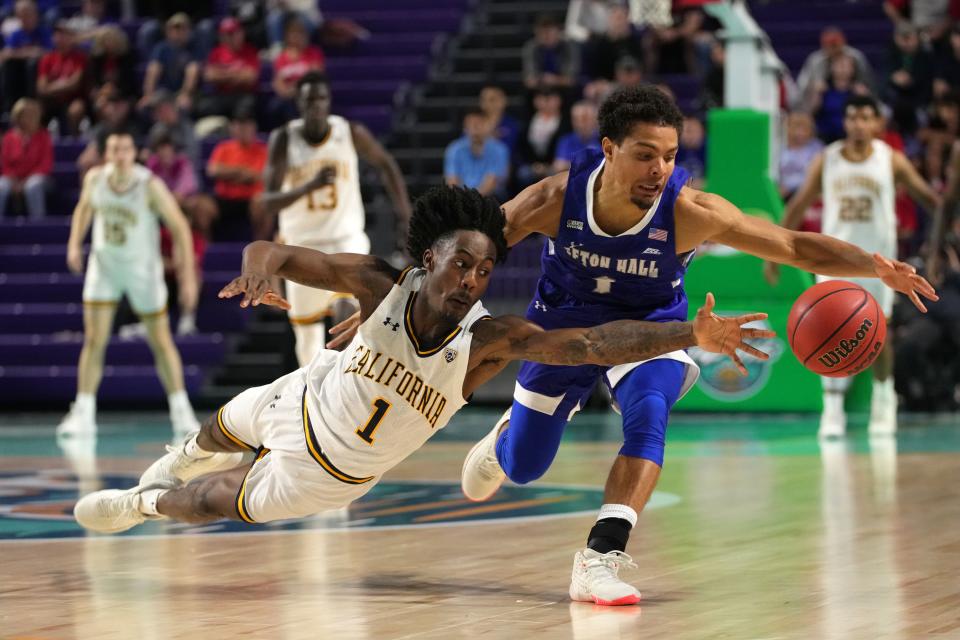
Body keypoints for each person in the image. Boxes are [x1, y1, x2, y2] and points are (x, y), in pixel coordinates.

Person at [72, 186, 775, 555]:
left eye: (485, 268)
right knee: (214, 434)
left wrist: (688, 332)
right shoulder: (380, 285)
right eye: (461, 263)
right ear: (428, 258)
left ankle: (141, 505)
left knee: (209, 501)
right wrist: (255, 271)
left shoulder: (490, 341)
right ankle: (176, 460)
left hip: (328, 474)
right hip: (301, 395)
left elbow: (590, 345)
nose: (473, 278)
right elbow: (273, 250)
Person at [453, 85, 936, 606]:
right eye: (644, 155)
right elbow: (468, 252)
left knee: (650, 410)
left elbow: (792, 245)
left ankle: (600, 558)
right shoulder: (553, 199)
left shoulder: (689, 210)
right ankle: (507, 441)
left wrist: (872, 265)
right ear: (610, 148)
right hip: (562, 328)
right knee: (526, 466)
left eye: (669, 156)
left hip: (652, 328)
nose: (658, 169)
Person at [765, 95, 940, 438]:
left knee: (882, 333)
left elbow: (931, 201)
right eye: (852, 117)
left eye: (865, 117)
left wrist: (936, 245)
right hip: (835, 259)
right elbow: (798, 206)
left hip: (880, 263)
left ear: (877, 123)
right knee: (826, 330)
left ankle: (883, 400)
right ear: (845, 122)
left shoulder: (890, 159)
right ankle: (832, 409)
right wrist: (776, 253)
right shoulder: (826, 159)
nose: (858, 124)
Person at [256, 71, 412, 367]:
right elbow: (268, 202)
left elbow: (386, 165)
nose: (316, 106)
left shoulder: (349, 132)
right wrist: (308, 187)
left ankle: (349, 385)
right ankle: (314, 399)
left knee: (349, 309)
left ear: (328, 101)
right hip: (301, 245)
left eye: (321, 98)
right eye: (309, 100)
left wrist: (405, 215)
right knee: (307, 341)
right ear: (299, 104)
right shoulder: (284, 139)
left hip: (345, 237)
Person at [57, 130, 202, 438]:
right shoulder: (95, 179)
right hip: (105, 266)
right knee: (94, 340)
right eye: (114, 149)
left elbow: (180, 228)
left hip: (142, 270)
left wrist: (188, 276)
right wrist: (73, 244)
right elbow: (84, 209)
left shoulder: (149, 184)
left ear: (134, 152)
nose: (120, 155)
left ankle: (181, 412)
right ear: (106, 153)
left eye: (125, 149)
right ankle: (83, 412)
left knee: (161, 341)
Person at [206, 105, 267, 241]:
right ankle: (205, 252)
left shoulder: (262, 150)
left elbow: (256, 176)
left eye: (247, 124)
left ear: (254, 127)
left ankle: (260, 247)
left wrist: (228, 174)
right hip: (224, 199)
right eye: (239, 124)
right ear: (233, 127)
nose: (243, 129)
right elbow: (213, 170)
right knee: (201, 206)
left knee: (263, 202)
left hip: (250, 200)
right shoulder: (223, 148)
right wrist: (241, 171)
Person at [0, 97, 52, 218]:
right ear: (18, 117)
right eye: (26, 115)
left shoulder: (44, 136)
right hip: (13, 179)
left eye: (32, 115)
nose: (30, 118)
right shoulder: (9, 138)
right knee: (1, 186)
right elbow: (5, 164)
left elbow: (46, 164)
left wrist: (24, 182)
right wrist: (13, 180)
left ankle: (38, 225)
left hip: (38, 179)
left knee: (33, 185)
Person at [444, 107, 510, 198]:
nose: (475, 128)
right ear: (464, 127)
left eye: (479, 124)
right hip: (461, 199)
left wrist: (472, 202)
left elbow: (492, 183)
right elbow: (452, 182)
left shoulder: (500, 149)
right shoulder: (454, 149)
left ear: (488, 125)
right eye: (470, 124)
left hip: (491, 199)